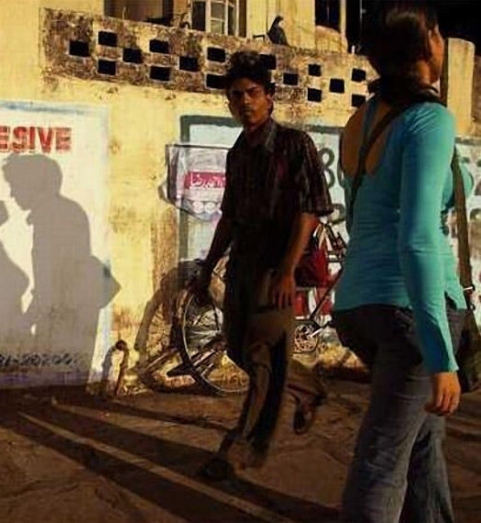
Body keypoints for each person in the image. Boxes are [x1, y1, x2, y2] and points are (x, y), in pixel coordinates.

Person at [332, 3, 473, 522]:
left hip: (357, 306)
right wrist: (440, 355)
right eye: (438, 31)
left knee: (420, 439)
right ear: (424, 46)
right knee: (384, 455)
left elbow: (363, 212)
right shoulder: (430, 119)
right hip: (410, 309)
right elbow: (415, 238)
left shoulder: (360, 119)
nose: (442, 40)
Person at [196, 50, 332, 480]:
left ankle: (239, 451)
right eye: (235, 96)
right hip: (243, 264)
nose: (244, 103)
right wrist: (209, 265)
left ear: (270, 96)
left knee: (262, 357)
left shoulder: (295, 145)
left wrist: (288, 270)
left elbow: (310, 210)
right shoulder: (238, 152)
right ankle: (308, 389)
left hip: (278, 266)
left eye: (252, 93)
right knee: (238, 347)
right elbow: (230, 216)